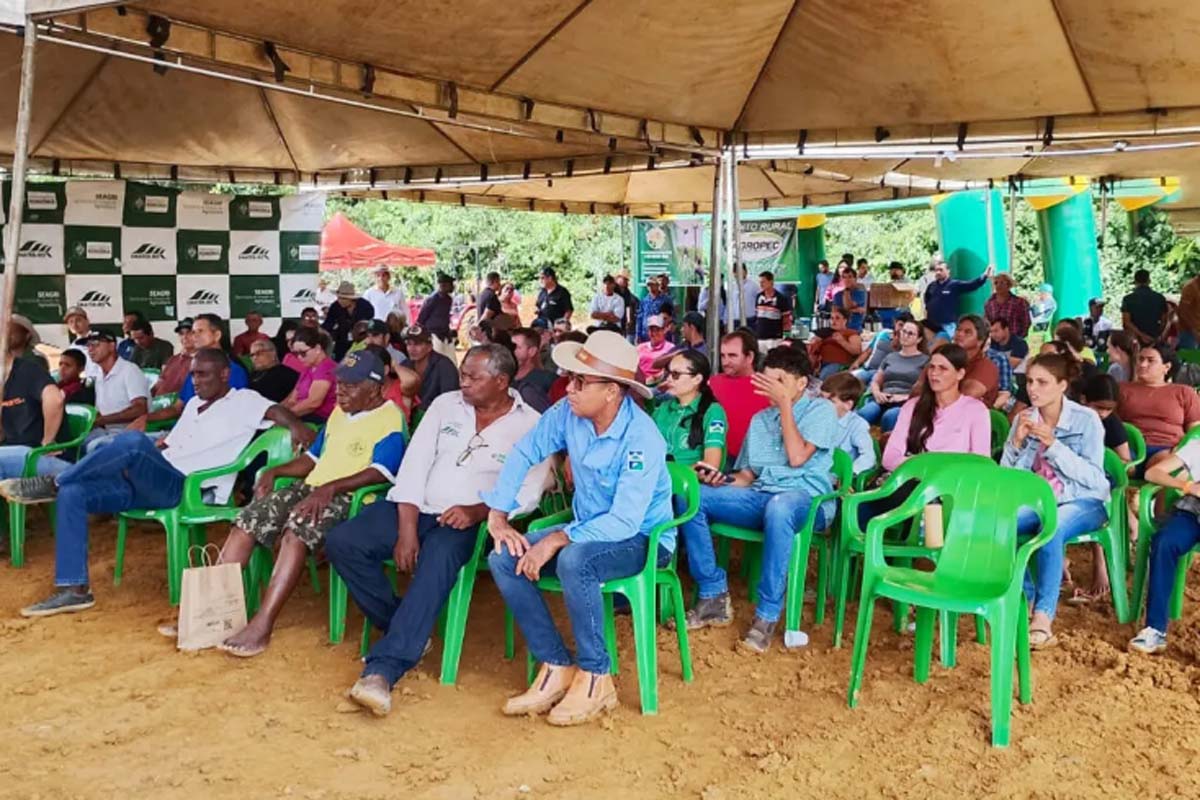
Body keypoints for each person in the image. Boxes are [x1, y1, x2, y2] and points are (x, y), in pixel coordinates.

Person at [2, 349, 313, 617]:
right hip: (151, 480)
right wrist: (128, 463)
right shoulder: (192, 406)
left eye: (204, 374)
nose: (196, 381)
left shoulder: (243, 399)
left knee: (133, 442)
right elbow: (166, 446)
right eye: (193, 375)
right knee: (76, 491)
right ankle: (75, 588)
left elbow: (276, 411)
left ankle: (55, 482)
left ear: (224, 374)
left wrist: (297, 427)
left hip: (184, 488)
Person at [332, 345, 551, 716]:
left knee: (438, 560)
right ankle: (405, 628)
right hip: (415, 506)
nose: (462, 382)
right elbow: (414, 465)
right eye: (462, 373)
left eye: (473, 377)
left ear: (501, 381)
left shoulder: (530, 424)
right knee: (343, 541)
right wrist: (407, 527)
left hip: (471, 521)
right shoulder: (444, 405)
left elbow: (529, 491)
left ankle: (382, 670)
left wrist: (478, 510)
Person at [483, 331, 671, 725]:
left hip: (641, 539)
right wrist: (498, 512)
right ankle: (555, 664)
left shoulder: (642, 439)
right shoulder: (568, 413)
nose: (569, 388)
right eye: (570, 377)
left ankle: (596, 676)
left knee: (575, 560)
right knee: (503, 556)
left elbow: (625, 521)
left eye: (581, 381)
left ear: (613, 392)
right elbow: (524, 452)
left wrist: (556, 538)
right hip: (584, 530)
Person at [214, 350, 406, 657]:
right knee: (249, 518)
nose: (340, 391)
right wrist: (274, 470)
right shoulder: (339, 414)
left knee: (298, 528)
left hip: (353, 497)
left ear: (376, 388)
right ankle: (212, 612)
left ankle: (262, 624)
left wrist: (331, 487)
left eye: (351, 386)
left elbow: (381, 471)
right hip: (315, 487)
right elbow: (312, 459)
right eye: (340, 383)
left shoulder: (390, 418)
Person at [679, 346, 838, 652]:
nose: (769, 388)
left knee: (780, 507)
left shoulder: (821, 411)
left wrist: (785, 408)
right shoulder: (760, 419)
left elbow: (796, 457)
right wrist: (721, 480)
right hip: (763, 496)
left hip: (807, 501)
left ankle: (766, 615)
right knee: (693, 496)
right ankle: (713, 594)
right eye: (766, 380)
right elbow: (747, 477)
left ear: (801, 383)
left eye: (778, 381)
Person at [1002, 353, 1109, 649]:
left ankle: (1043, 616)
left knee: (1053, 524)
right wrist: (1016, 444)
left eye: (1042, 382)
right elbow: (1006, 479)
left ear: (1062, 385)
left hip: (1083, 500)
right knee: (1003, 523)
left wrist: (1054, 446)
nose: (1033, 389)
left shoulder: (1085, 419)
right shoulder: (1023, 419)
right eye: (1029, 382)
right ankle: (1025, 597)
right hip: (1036, 498)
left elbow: (1093, 477)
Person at [1128, 436, 1200, 654]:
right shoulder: (1197, 446)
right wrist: (1187, 485)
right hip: (1192, 511)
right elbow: (1153, 473)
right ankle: (1155, 629)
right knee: (1164, 542)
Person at [882, 345, 991, 473]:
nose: (934, 373)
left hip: (955, 485)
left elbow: (981, 462)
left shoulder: (976, 410)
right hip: (915, 479)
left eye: (943, 368)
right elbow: (889, 458)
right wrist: (922, 465)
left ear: (960, 374)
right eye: (932, 367)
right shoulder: (912, 407)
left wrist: (929, 464)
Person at [138, 314, 250, 431]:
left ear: (217, 335)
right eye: (193, 332)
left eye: (200, 331)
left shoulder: (233, 370)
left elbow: (229, 414)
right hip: (184, 432)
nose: (194, 336)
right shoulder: (195, 369)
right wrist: (145, 418)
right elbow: (178, 408)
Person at [1117, 343, 1200, 473]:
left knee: (1163, 469)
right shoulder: (1122, 389)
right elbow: (1110, 422)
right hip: (1128, 449)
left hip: (1167, 449)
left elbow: (1195, 431)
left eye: (1151, 361)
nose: (1143, 364)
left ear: (1166, 367)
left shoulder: (1184, 392)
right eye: (1140, 359)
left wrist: (1182, 448)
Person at [0, 344, 67, 484]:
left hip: (39, 455)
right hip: (14, 452)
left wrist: (48, 442)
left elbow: (55, 399)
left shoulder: (27, 370)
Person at [652, 350, 727, 468]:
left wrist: (677, 476)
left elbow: (711, 465)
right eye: (668, 373)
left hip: (694, 484)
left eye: (675, 374)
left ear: (697, 379)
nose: (669, 379)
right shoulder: (663, 408)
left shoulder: (713, 411)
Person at [83, 331, 150, 452]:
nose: (90, 349)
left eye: (96, 344)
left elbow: (140, 409)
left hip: (130, 432)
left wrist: (102, 420)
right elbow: (100, 411)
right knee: (76, 441)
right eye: (88, 345)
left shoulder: (129, 370)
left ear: (112, 346)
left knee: (94, 446)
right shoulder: (99, 375)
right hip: (106, 432)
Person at [709, 330, 770, 465]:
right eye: (723, 356)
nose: (726, 362)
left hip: (754, 461)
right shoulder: (713, 383)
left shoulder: (767, 386)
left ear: (749, 357)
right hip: (716, 456)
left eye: (732, 356)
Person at [857, 317, 929, 431]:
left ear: (919, 339)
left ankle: (887, 446)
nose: (905, 335)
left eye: (910, 334)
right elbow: (876, 380)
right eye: (904, 331)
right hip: (883, 397)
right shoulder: (890, 357)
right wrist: (877, 393)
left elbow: (925, 388)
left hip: (906, 401)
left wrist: (905, 397)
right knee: (864, 413)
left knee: (890, 416)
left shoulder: (925, 360)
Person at [922, 255, 993, 337]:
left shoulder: (954, 285)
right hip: (932, 324)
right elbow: (927, 302)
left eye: (941, 270)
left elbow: (971, 285)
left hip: (948, 325)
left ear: (948, 271)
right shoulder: (931, 286)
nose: (938, 272)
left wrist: (984, 276)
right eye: (936, 270)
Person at [821, 372, 876, 477]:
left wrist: (848, 474)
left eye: (831, 401)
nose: (822, 405)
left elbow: (869, 457)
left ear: (848, 405)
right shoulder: (816, 418)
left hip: (836, 479)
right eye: (821, 399)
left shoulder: (857, 425)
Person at [943, 314, 1001, 406]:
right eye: (958, 330)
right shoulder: (943, 359)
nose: (960, 334)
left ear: (980, 341)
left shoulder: (986, 367)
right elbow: (919, 388)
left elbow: (963, 399)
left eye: (967, 332)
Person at [282, 327, 337, 423]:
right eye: (295, 353)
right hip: (304, 416)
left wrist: (285, 416)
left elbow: (313, 402)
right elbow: (292, 399)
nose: (299, 357)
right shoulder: (308, 368)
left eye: (303, 353)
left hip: (320, 420)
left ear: (318, 348)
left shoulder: (326, 367)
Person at [403, 324, 459, 410]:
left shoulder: (445, 366)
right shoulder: (405, 365)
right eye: (409, 344)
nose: (412, 349)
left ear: (430, 347)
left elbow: (450, 400)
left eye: (417, 344)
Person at [323, 281, 376, 360]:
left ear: (351, 299)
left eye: (343, 298)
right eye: (338, 297)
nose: (340, 300)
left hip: (362, 344)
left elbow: (369, 325)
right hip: (341, 343)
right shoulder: (335, 307)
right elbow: (328, 324)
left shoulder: (365, 307)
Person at [807, 306, 862, 379]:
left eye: (837, 318)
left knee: (824, 376)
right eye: (832, 318)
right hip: (819, 363)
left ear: (845, 320)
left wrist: (842, 341)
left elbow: (856, 351)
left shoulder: (851, 333)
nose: (833, 321)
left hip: (838, 364)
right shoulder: (824, 332)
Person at [511, 327, 556, 412]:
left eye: (516, 347)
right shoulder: (503, 380)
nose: (510, 350)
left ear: (532, 351)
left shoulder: (548, 380)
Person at [1121, 269, 1168, 347]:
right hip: (1153, 338)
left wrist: (1142, 336)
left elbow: (1126, 322)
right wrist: (1157, 335)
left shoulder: (1128, 299)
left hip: (1135, 339)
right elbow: (1164, 321)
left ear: (1135, 282)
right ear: (1149, 281)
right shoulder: (1159, 298)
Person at [417, 273, 457, 360]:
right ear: (443, 285)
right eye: (451, 284)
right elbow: (421, 319)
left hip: (445, 334)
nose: (453, 287)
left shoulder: (448, 299)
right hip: (433, 335)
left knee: (451, 361)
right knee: (437, 360)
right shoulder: (432, 299)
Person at [152, 319, 196, 396]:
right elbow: (159, 384)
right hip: (158, 403)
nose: (185, 337)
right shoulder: (173, 359)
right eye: (181, 333)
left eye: (189, 333)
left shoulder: (201, 361)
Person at [248, 339, 299, 403]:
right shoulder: (253, 374)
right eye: (252, 355)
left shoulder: (287, 374)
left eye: (259, 353)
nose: (254, 358)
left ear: (273, 353)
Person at [753, 270, 793, 351]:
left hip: (774, 339)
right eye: (760, 282)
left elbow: (786, 320)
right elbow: (757, 316)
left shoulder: (781, 299)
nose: (761, 284)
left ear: (771, 282)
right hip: (760, 338)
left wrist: (786, 337)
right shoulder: (758, 297)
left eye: (763, 282)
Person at [984, 273, 1032, 339]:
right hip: (995, 341)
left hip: (1014, 339)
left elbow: (1026, 322)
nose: (998, 285)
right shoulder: (989, 303)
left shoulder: (1019, 302)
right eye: (996, 283)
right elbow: (986, 322)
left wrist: (1019, 338)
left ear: (1009, 285)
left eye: (1002, 283)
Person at [636, 314, 674, 384]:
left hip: (659, 383)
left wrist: (655, 379)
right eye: (651, 330)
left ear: (664, 330)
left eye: (657, 330)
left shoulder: (670, 348)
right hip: (639, 382)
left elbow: (671, 370)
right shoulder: (640, 347)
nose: (654, 333)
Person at [635, 275, 674, 343]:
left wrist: (669, 328)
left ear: (657, 285)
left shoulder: (666, 300)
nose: (650, 287)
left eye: (652, 284)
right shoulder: (644, 301)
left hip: (662, 335)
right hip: (646, 336)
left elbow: (672, 316)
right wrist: (638, 334)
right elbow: (640, 318)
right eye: (648, 285)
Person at [613, 272, 638, 338]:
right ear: (618, 278)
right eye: (624, 279)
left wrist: (629, 319)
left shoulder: (627, 292)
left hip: (623, 321)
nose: (626, 281)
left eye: (627, 280)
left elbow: (628, 306)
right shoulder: (612, 290)